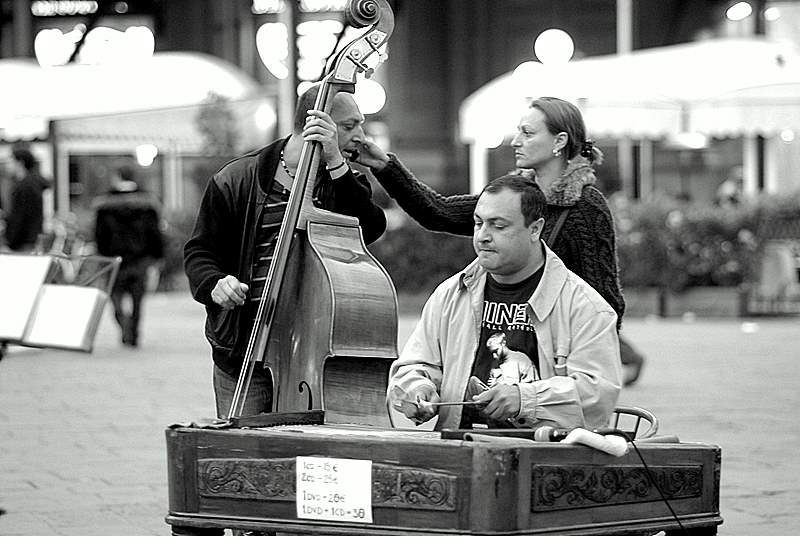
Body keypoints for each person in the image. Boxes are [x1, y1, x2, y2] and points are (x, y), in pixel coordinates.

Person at [357, 96, 644, 386]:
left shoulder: (585, 206)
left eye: (528, 133)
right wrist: (384, 166)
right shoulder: (511, 196)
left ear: (559, 141)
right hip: (502, 346)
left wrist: (578, 371)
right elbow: (438, 213)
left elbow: (605, 302)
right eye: (518, 131)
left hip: (552, 364)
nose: (516, 141)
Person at [183, 84, 387, 423]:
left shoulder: (343, 181)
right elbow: (200, 251)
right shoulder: (236, 178)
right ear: (316, 124)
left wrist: (336, 161)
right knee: (244, 456)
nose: (361, 136)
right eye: (349, 126)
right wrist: (215, 282)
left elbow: (370, 226)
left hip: (312, 352)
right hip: (245, 346)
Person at [388, 175, 622, 430]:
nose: (483, 236)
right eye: (478, 223)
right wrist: (417, 387)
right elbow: (414, 365)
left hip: (542, 459)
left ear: (535, 229)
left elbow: (597, 395)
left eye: (498, 226)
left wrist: (526, 399)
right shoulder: (450, 294)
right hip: (457, 452)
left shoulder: (587, 307)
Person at [93, 165, 164, 347]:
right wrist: (157, 255)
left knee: (115, 296)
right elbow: (154, 233)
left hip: (114, 259)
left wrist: (102, 253)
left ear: (117, 177)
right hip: (140, 258)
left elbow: (100, 234)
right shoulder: (147, 203)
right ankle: (133, 333)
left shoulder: (104, 204)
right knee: (137, 299)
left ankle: (124, 325)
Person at [3, 147, 50, 252]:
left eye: (10, 161)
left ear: (20, 163)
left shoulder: (25, 187)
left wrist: (10, 242)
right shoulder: (32, 184)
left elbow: (20, 216)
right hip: (31, 240)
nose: (7, 165)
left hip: (22, 244)